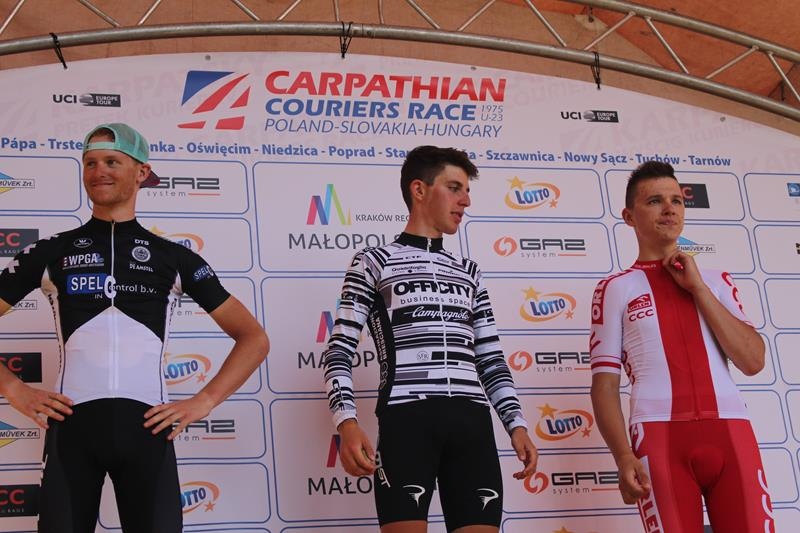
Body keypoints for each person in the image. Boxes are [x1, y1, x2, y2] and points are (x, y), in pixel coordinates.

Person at [0, 123, 269, 533]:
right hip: (72, 433)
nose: (98, 171)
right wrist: (14, 389)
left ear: (142, 172)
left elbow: (254, 338)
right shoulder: (50, 251)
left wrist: (205, 401)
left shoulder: (173, 258)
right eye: (90, 163)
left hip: (148, 431)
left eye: (112, 161)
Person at [322, 145, 537, 533]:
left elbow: (490, 359)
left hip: (472, 425)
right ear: (419, 190)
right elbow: (339, 350)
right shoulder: (373, 261)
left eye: (467, 191)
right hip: (407, 421)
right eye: (454, 188)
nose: (465, 200)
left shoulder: (469, 271)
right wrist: (346, 421)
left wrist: (516, 423)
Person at [589, 160, 773, 532]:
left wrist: (698, 289)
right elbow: (604, 386)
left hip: (731, 432)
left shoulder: (716, 281)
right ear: (629, 216)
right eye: (655, 201)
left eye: (676, 200)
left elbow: (753, 361)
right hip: (659, 438)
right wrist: (623, 456)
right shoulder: (615, 288)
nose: (669, 209)